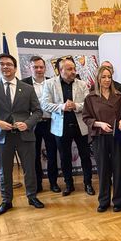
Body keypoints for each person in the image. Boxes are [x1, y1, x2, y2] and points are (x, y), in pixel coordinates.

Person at [0, 53, 44, 215]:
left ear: (15, 68)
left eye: (9, 64)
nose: (5, 66)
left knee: (30, 168)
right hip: (2, 136)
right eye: (2, 64)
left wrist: (27, 123)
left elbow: (37, 111)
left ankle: (32, 196)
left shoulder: (27, 88)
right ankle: (6, 201)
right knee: (4, 170)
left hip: (25, 135)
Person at [41, 57, 94, 197]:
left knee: (85, 156)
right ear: (60, 70)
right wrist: (62, 107)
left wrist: (76, 106)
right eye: (69, 69)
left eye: (74, 69)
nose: (73, 72)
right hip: (61, 127)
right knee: (65, 158)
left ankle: (88, 183)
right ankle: (69, 184)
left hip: (80, 126)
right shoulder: (49, 84)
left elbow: (88, 103)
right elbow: (44, 104)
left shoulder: (82, 84)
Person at [82, 65, 121, 212]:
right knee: (103, 170)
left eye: (109, 77)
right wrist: (99, 124)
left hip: (117, 137)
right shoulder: (91, 98)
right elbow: (86, 118)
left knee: (119, 169)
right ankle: (103, 201)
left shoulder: (119, 96)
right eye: (104, 77)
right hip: (100, 137)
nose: (107, 80)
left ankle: (119, 201)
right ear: (98, 79)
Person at [21, 56, 60, 194]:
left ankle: (53, 183)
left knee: (52, 154)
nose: (38, 69)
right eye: (35, 67)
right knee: (34, 155)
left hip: (50, 122)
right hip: (32, 124)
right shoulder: (23, 84)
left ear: (45, 68)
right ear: (30, 68)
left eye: (41, 67)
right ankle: (37, 183)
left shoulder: (53, 82)